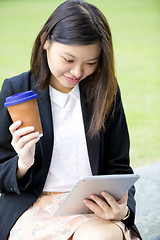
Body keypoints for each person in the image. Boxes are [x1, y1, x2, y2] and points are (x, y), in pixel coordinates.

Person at [0, 0, 142, 239]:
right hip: (33, 209)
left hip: (92, 208)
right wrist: (23, 163)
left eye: (91, 63)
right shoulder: (16, 90)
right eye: (68, 60)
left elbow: (119, 166)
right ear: (46, 40)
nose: (77, 72)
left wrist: (124, 211)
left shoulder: (105, 91)